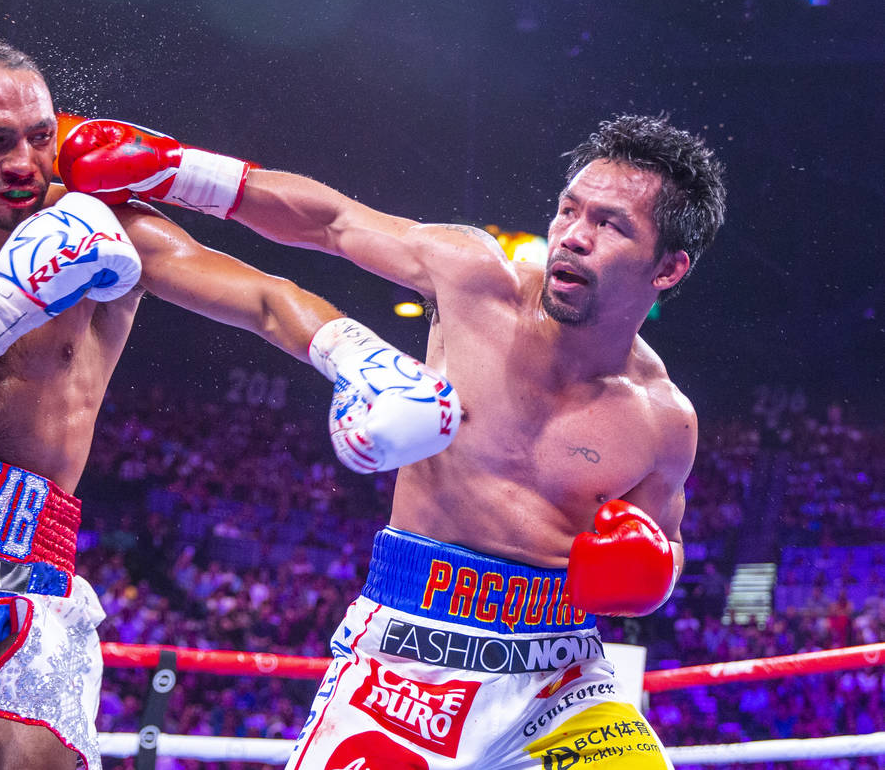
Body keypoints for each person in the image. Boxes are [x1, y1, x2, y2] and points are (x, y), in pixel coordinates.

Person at [0, 39, 460, 770]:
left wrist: (363, 358)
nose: (24, 163)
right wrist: (14, 297)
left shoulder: (107, 226)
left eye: (41, 136)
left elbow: (262, 299)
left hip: (24, 575)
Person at [61, 112, 726, 768]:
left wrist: (650, 567)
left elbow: (661, 546)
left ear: (667, 269)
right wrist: (177, 171)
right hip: (404, 661)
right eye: (569, 211)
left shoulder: (664, 420)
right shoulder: (476, 282)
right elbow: (331, 220)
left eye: (609, 225)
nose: (573, 238)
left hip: (559, 682)